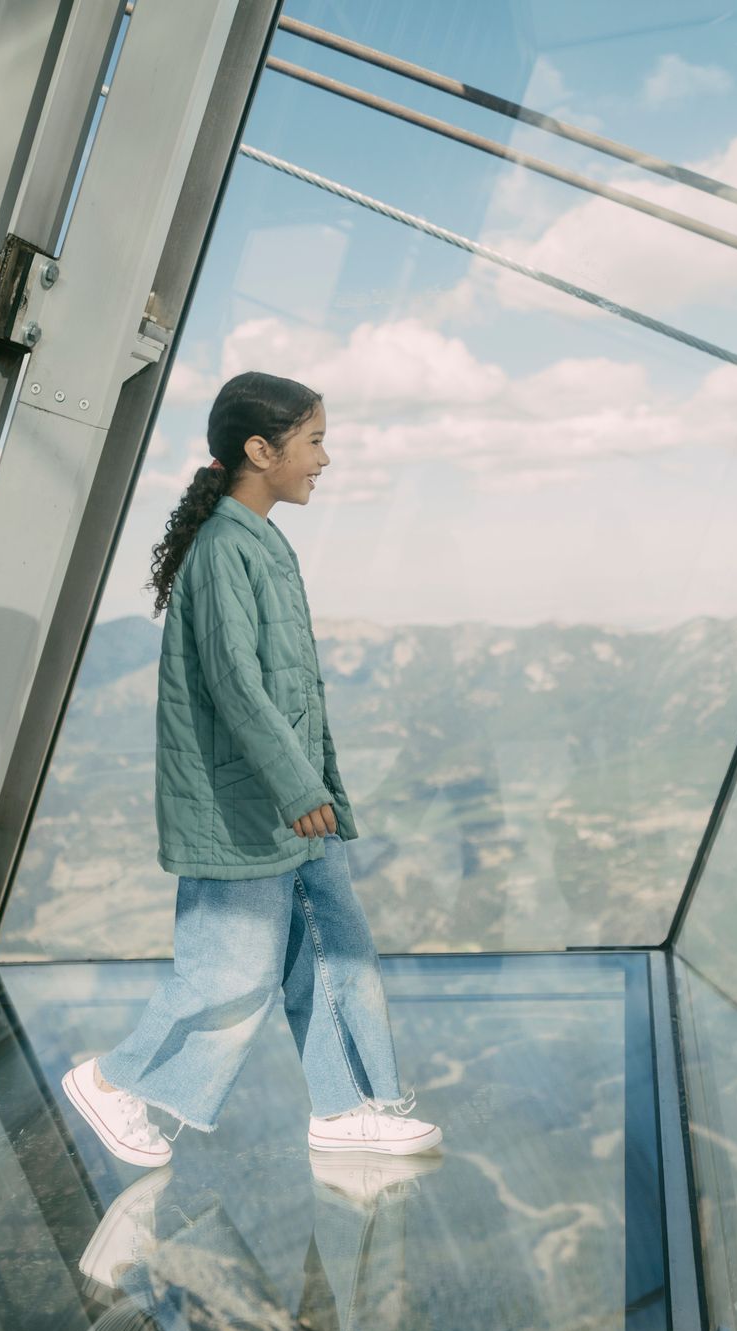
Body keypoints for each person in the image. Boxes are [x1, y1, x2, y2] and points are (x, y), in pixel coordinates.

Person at [61, 371, 441, 1165]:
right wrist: (299, 785)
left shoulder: (260, 541)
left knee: (335, 948)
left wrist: (314, 786)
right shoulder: (222, 551)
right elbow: (236, 682)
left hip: (292, 802)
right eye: (314, 441)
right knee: (231, 971)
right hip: (243, 804)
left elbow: (287, 685)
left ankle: (351, 1105)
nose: (324, 459)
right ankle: (115, 1081)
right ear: (261, 451)